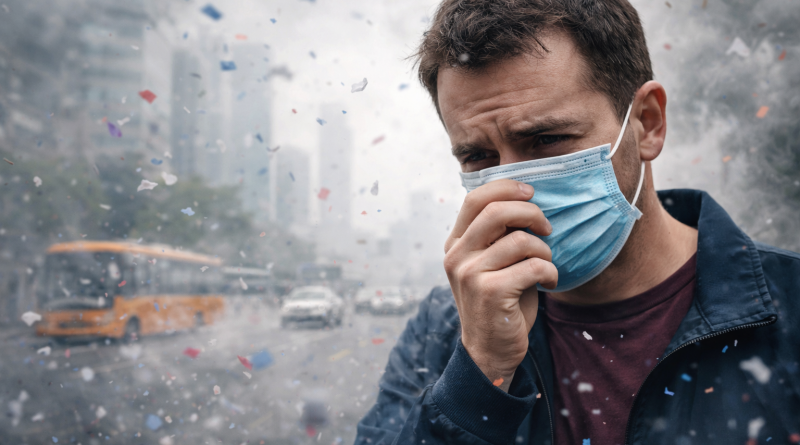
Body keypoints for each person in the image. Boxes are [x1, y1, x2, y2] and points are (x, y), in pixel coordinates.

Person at [355, 1, 800, 444]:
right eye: (478, 156)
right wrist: (479, 375)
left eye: (546, 139)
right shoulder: (447, 331)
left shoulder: (790, 308)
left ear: (647, 123)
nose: (512, 188)